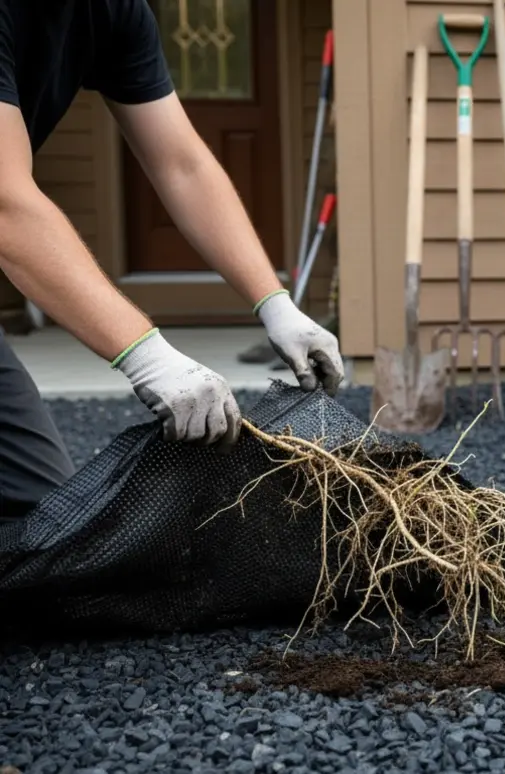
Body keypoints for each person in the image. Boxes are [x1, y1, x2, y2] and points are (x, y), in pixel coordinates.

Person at [0, 2, 343, 518]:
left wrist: (274, 304)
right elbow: (8, 204)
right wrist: (149, 358)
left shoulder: (112, 10)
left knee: (44, 520)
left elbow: (182, 164)